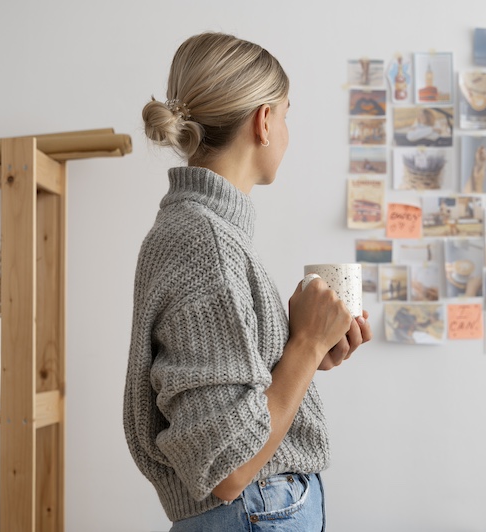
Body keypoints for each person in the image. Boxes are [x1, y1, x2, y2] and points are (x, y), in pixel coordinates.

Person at [123, 32, 372, 531]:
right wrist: (302, 343)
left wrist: (301, 351)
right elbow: (229, 467)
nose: (285, 129)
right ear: (263, 121)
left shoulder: (201, 231)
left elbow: (231, 407)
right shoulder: (205, 241)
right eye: (285, 112)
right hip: (255, 510)